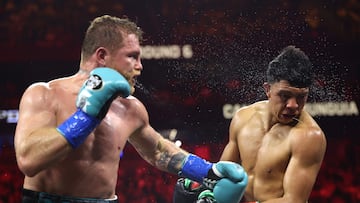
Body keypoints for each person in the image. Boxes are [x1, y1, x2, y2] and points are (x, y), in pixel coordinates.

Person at [14, 15, 248, 203]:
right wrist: (87, 116)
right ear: (102, 56)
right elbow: (29, 160)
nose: (140, 66)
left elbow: (159, 151)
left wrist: (208, 171)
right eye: (132, 57)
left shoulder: (130, 108)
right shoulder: (45, 94)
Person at [173, 45, 327, 203]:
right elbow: (223, 173)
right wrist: (205, 191)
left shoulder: (309, 136)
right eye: (285, 95)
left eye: (301, 97)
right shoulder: (243, 118)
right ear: (268, 89)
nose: (293, 105)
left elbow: (294, 200)